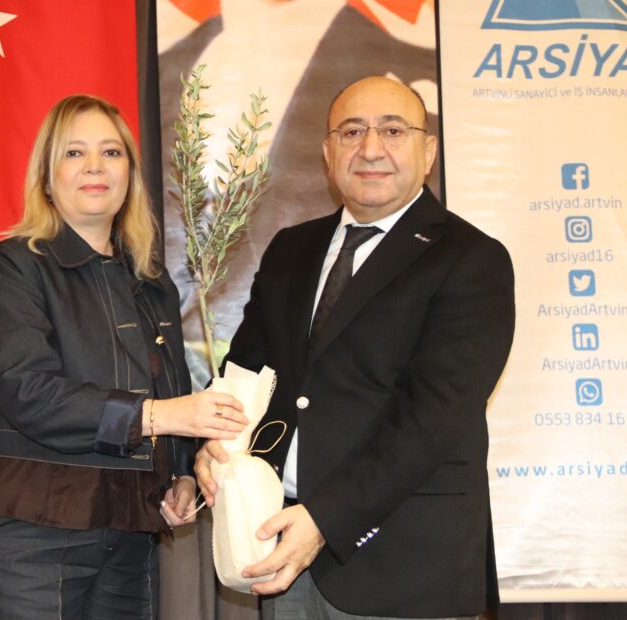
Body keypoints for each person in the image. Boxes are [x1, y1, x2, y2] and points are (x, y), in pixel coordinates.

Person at [196, 76, 515, 619]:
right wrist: (212, 443)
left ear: (428, 151)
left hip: (405, 567)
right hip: (279, 548)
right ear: (328, 153)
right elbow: (246, 369)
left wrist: (325, 519)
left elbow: (432, 419)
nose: (370, 149)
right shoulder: (291, 249)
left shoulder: (471, 259)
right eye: (351, 132)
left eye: (392, 130)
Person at [0, 94, 247, 620]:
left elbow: (168, 390)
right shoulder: (11, 267)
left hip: (129, 538)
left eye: (111, 153)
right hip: (30, 536)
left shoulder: (151, 282)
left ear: (130, 174)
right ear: (47, 176)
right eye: (74, 153)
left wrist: (180, 474)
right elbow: (29, 393)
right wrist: (162, 417)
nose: (95, 166)